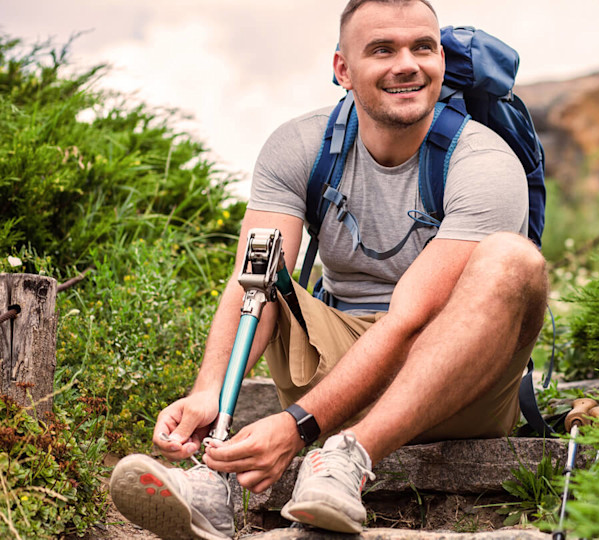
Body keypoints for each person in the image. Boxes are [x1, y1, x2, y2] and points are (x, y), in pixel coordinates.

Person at [108, 0, 548, 537]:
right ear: (342, 69)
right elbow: (252, 281)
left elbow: (409, 322)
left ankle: (347, 459)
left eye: (423, 48)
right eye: (382, 49)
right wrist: (209, 390)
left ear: (439, 58)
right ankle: (213, 480)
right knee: (266, 265)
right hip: (335, 361)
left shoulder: (484, 163)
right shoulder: (299, 146)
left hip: (457, 382)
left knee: (516, 259)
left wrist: (299, 428)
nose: (406, 64)